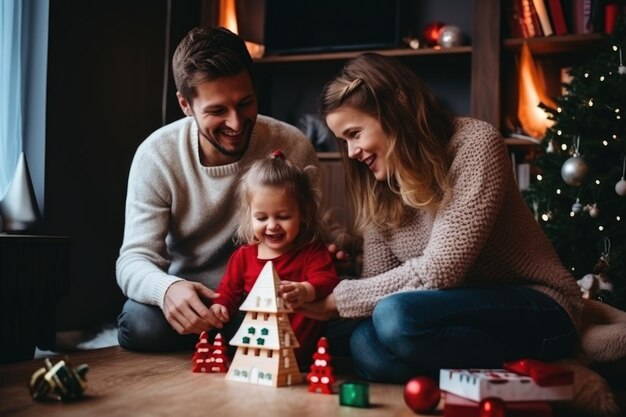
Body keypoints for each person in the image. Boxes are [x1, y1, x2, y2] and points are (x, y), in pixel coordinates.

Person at [299, 52, 583, 383]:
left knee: (395, 318)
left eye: (355, 133)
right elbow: (377, 284)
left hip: (537, 305)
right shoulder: (379, 184)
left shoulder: (474, 144)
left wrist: (338, 301)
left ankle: (538, 369)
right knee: (365, 342)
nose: (351, 152)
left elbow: (441, 269)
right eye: (343, 140)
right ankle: (473, 376)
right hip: (442, 315)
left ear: (397, 107)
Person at [115, 26, 321, 351]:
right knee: (139, 323)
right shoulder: (157, 154)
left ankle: (226, 342)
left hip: (270, 297)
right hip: (196, 299)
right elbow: (134, 259)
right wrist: (167, 289)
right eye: (217, 111)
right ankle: (221, 339)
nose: (237, 124)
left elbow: (313, 236)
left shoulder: (291, 144)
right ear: (186, 104)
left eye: (245, 103)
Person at [209, 150, 340, 365]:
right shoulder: (244, 256)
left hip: (305, 349)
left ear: (303, 214)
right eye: (261, 217)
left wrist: (305, 290)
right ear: (249, 215)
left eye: (283, 216)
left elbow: (328, 280)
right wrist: (220, 306)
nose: (272, 225)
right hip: (259, 348)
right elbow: (228, 291)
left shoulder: (311, 251)